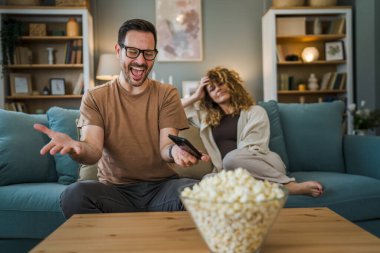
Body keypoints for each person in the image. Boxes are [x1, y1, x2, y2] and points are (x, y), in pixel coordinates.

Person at [33, 19, 210, 219]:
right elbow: (93, 150)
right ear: (118, 51)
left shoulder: (166, 94)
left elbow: (165, 147)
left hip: (162, 189)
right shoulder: (95, 97)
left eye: (148, 53)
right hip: (116, 193)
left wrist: (175, 150)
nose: (141, 61)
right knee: (74, 195)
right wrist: (78, 148)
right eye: (133, 51)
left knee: (201, 193)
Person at [181, 66, 323, 197]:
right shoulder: (206, 118)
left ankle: (289, 185)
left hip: (264, 166)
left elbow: (253, 147)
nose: (218, 89)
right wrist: (195, 96)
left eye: (221, 83)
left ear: (231, 84)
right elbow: (172, 110)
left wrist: (233, 169)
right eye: (212, 89)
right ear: (208, 96)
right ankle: (267, 188)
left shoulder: (255, 112)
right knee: (207, 181)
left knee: (231, 159)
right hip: (228, 172)